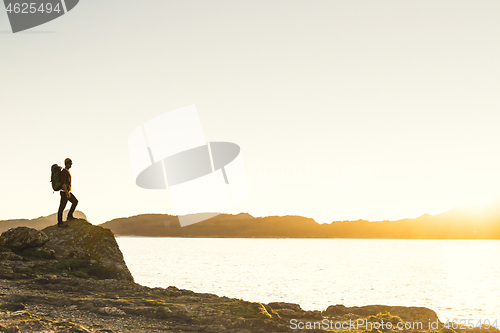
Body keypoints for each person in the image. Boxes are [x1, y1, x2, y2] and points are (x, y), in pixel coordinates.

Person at [57, 158, 78, 228]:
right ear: (67, 164)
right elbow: (63, 183)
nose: (71, 165)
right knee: (62, 207)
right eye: (70, 163)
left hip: (66, 192)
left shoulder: (67, 171)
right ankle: (60, 222)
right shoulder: (64, 172)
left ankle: (69, 216)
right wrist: (66, 192)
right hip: (64, 192)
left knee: (75, 201)